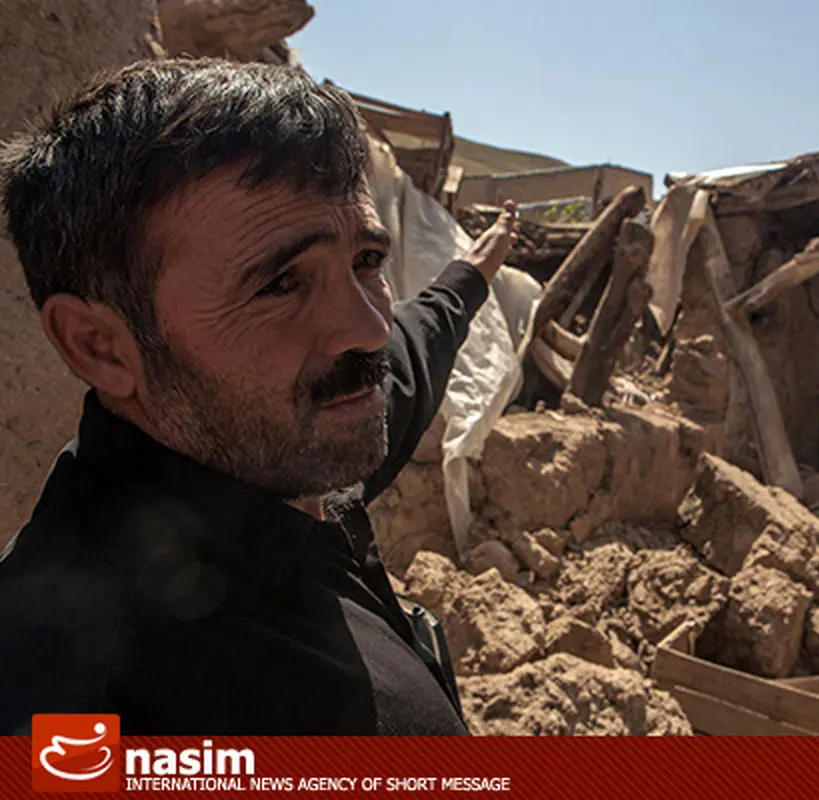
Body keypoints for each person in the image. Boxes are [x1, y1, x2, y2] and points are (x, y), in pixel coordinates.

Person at [0, 58, 519, 735]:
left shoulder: (283, 454)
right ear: (99, 345)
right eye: (280, 284)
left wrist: (474, 271)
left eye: (367, 261)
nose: (370, 329)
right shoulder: (74, 704)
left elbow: (414, 351)